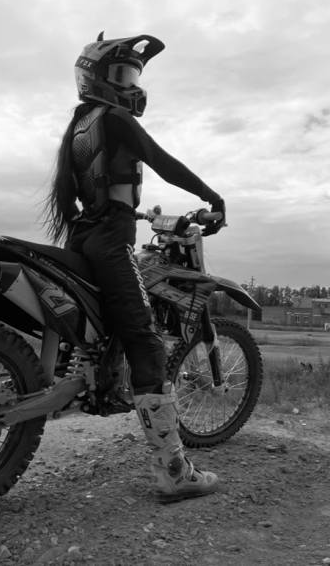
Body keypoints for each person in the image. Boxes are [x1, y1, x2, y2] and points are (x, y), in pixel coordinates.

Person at [44, 32, 225, 503]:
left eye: (132, 75)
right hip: (110, 240)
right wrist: (211, 196)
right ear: (96, 78)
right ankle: (174, 472)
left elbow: (95, 190)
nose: (131, 84)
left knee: (101, 329)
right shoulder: (115, 118)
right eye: (122, 74)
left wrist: (134, 212)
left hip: (84, 236)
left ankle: (97, 384)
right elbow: (162, 162)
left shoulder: (79, 126)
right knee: (146, 342)